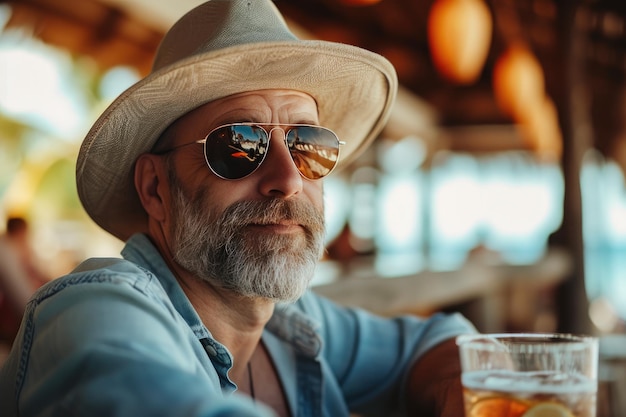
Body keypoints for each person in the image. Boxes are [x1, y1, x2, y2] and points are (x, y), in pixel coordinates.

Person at [0, 1, 477, 416]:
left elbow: (434, 345)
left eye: (308, 145)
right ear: (155, 188)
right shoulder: (92, 312)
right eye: (239, 145)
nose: (288, 179)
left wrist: (464, 390)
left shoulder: (292, 321)